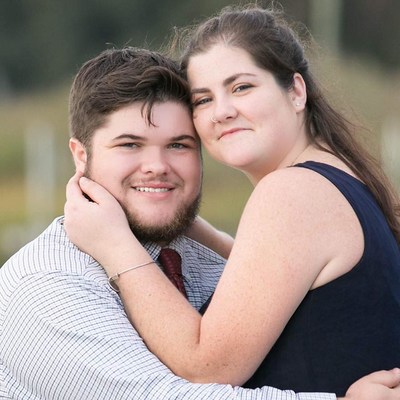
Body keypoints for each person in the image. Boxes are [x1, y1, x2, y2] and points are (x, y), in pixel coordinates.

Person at [1, 46, 389, 400]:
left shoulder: (207, 261)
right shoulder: (48, 284)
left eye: (178, 145)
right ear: (80, 155)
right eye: (130, 144)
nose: (157, 166)